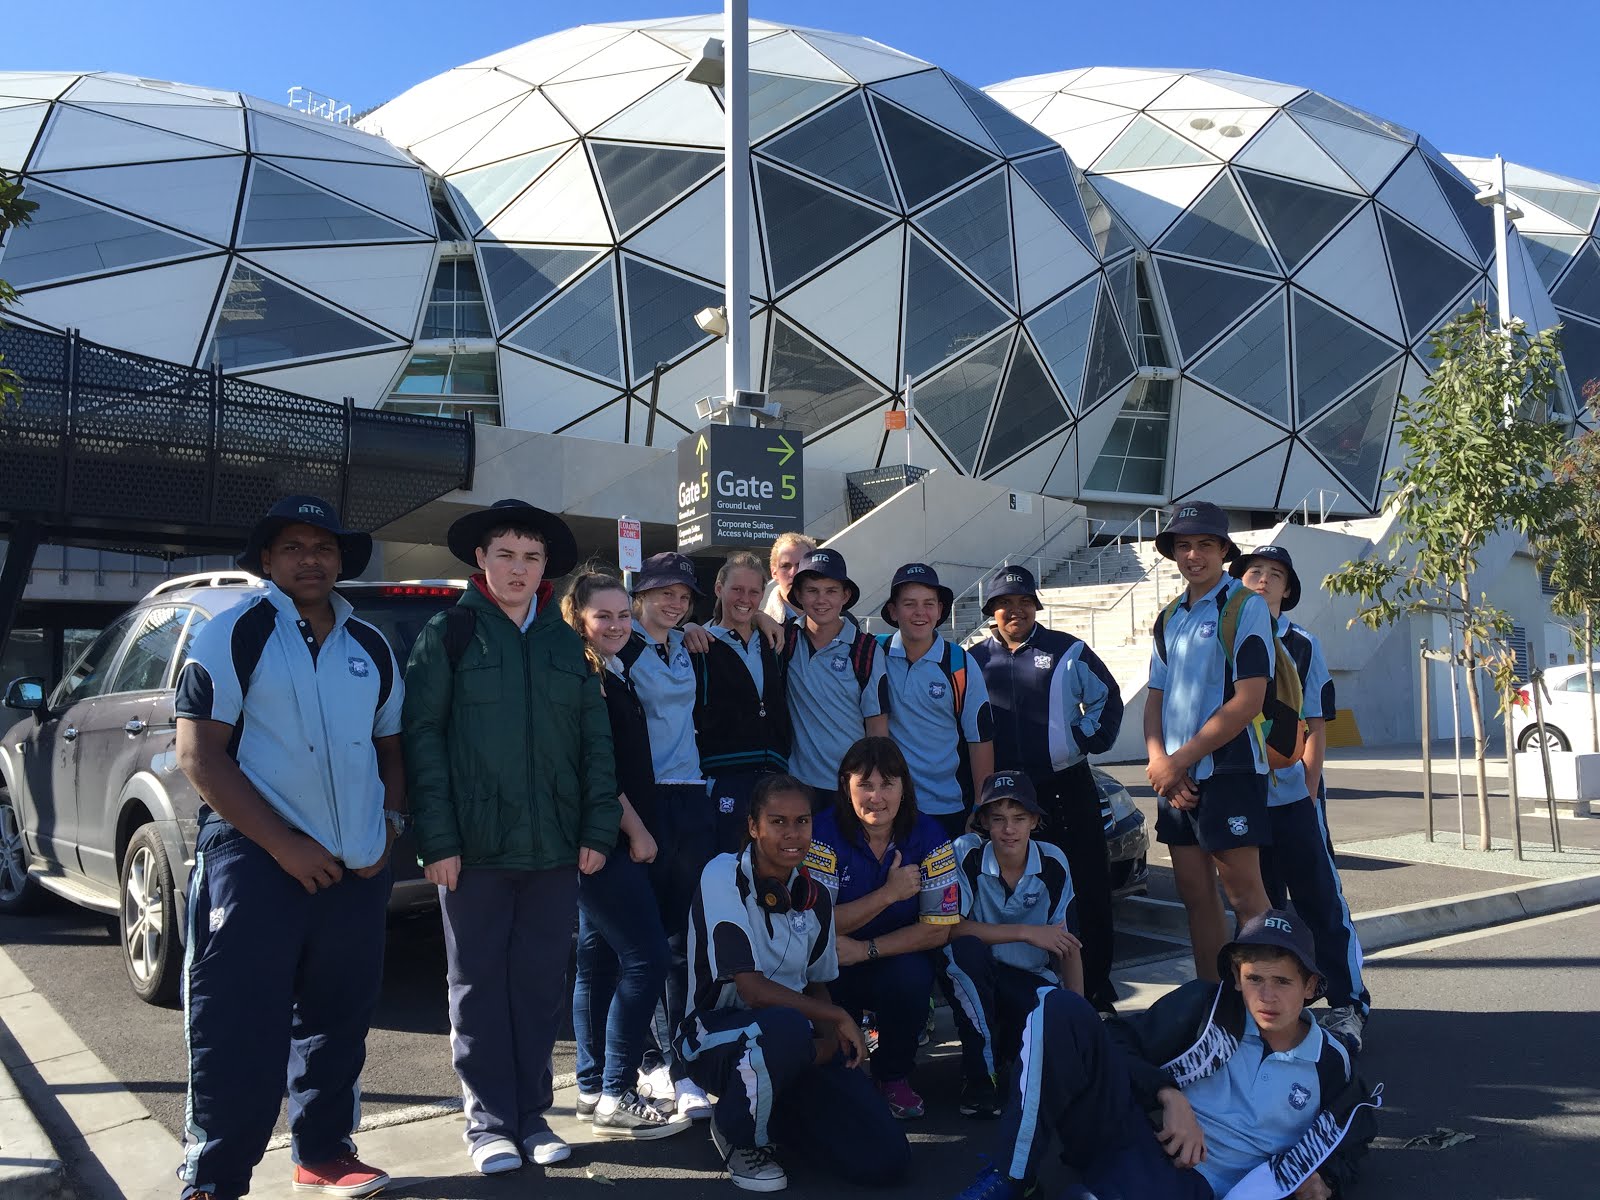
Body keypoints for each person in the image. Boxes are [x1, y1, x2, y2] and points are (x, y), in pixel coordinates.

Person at [173, 495, 405, 1200]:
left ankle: (324, 1153)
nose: (312, 559)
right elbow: (199, 757)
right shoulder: (231, 633)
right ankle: (215, 1176)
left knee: (338, 1020)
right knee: (238, 1020)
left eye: (325, 547)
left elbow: (391, 748)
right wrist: (284, 847)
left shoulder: (370, 644)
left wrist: (386, 831)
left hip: (354, 864)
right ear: (268, 561)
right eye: (295, 547)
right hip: (253, 856)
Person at [403, 499, 620, 1174]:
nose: (518, 569)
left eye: (531, 557)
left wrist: (597, 827)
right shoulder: (450, 632)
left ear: (544, 567)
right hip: (473, 851)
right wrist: (435, 840)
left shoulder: (567, 646)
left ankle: (533, 1117)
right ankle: (489, 1123)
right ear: (481, 560)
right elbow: (422, 742)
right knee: (476, 986)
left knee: (537, 987)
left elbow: (595, 744)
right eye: (506, 555)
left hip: (555, 850)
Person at [953, 909, 1380, 1200]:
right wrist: (1168, 1093)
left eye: (1283, 983)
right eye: (1254, 979)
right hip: (1140, 1132)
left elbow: (1357, 1123)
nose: (1266, 997)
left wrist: (1325, 1178)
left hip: (1191, 1184)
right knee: (1057, 1006)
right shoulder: (1208, 1006)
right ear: (1236, 977)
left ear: (1310, 988)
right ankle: (1011, 1177)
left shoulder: (1330, 1062)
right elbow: (1117, 1038)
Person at [676, 775, 911, 1192]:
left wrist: (834, 1046)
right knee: (785, 1027)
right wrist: (837, 1018)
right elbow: (750, 989)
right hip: (712, 1033)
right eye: (777, 821)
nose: (792, 833)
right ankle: (736, 1134)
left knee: (887, 1158)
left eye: (802, 821)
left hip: (792, 1043)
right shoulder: (721, 874)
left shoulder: (815, 895)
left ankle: (776, 1114)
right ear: (753, 827)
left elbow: (817, 984)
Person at [562, 572, 686, 1140]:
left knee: (599, 961)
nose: (615, 625)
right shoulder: (584, 680)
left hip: (608, 837)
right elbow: (596, 769)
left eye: (621, 616)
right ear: (577, 618)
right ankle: (616, 1091)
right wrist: (636, 831)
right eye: (602, 616)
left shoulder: (609, 672)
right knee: (648, 958)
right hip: (603, 840)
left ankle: (591, 1088)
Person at [1231, 545, 1371, 1051]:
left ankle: (1347, 1004)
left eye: (1275, 575)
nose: (1263, 580)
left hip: (1293, 799)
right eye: (1254, 572)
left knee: (1320, 901)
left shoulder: (1304, 644)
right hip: (1240, 798)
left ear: (1288, 589)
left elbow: (1315, 725)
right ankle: (1266, 1012)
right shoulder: (1222, 639)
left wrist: (1308, 790)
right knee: (1258, 909)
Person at [970, 563, 1123, 1012]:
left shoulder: (1067, 649)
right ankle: (1018, 987)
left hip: (1063, 786)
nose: (1014, 611)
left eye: (1023, 602)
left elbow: (1107, 698)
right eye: (1004, 604)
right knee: (1006, 891)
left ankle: (1095, 989)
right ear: (990, 611)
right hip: (1003, 795)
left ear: (1036, 606)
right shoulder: (973, 661)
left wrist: (1083, 739)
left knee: (1086, 885)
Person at [1145, 502, 1273, 983]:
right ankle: (1213, 1005)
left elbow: (1249, 701)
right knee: (1195, 897)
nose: (1193, 555)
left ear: (1223, 549)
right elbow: (1154, 698)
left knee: (1246, 900)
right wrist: (1161, 762)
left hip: (1229, 772)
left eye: (1204, 544)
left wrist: (1176, 761)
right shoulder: (1169, 616)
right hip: (1176, 779)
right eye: (1183, 546)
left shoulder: (1244, 605)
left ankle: (1265, 1013)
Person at [805, 736, 961, 1119]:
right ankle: (843, 1068)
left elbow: (938, 928)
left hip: (889, 955)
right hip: (830, 960)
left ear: (905, 787)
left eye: (888, 784)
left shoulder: (931, 836)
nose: (877, 797)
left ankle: (893, 1076)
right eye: (866, 785)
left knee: (912, 976)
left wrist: (867, 948)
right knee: (840, 1090)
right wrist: (889, 894)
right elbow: (815, 923)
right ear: (845, 786)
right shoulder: (821, 835)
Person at [618, 551, 715, 1120]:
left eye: (682, 596)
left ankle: (680, 1058)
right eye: (663, 593)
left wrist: (693, 628)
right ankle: (651, 1059)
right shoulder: (621, 646)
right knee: (643, 941)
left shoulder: (683, 644)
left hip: (691, 794)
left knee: (681, 938)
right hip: (645, 797)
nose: (674, 603)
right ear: (640, 597)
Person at [945, 772, 1083, 1120]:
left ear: (1035, 821)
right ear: (984, 824)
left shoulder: (1053, 861)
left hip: (1028, 975)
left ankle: (1005, 1050)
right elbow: (951, 930)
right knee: (966, 955)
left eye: (1019, 818)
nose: (1009, 829)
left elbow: (1068, 945)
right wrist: (1026, 932)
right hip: (980, 970)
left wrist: (1078, 1016)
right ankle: (979, 1080)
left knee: (1057, 1047)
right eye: (999, 819)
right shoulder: (966, 854)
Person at [878, 563, 995, 840]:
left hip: (947, 808)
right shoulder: (874, 653)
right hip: (889, 807)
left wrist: (980, 806)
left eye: (929, 603)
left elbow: (980, 739)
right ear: (893, 611)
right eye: (909, 604)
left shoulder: (960, 663)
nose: (920, 612)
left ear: (940, 611)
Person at [697, 552, 792, 851]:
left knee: (774, 872)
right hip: (726, 777)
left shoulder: (774, 641)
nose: (745, 598)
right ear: (719, 589)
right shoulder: (700, 644)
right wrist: (686, 629)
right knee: (728, 868)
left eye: (754, 592)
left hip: (774, 777)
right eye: (737, 589)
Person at [781, 547, 889, 811]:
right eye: (812, 590)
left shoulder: (865, 649)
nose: (821, 600)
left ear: (845, 596)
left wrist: (873, 784)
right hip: (798, 785)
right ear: (798, 595)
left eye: (831, 591)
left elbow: (876, 725)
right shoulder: (786, 640)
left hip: (850, 785)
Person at [761, 531, 817, 623]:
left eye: (801, 565)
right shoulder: (755, 627)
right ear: (774, 573)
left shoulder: (842, 622)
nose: (793, 573)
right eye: (785, 566)